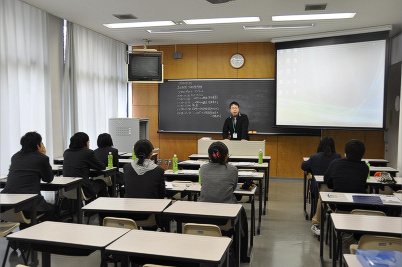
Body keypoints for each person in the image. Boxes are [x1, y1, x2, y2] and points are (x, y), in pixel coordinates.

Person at [198, 141, 248, 263]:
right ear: (226, 156)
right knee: (242, 214)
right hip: (225, 219)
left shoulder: (203, 168)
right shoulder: (232, 170)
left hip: (203, 217)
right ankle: (241, 255)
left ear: (209, 156)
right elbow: (233, 187)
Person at [311, 139, 369, 235]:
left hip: (338, 205)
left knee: (322, 197)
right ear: (362, 154)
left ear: (345, 153)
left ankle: (316, 224)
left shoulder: (336, 163)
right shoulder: (365, 168)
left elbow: (326, 180)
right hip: (359, 206)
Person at [1, 132, 55, 222]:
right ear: (38, 146)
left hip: (7, 205)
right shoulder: (42, 158)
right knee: (51, 210)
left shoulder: (15, 157)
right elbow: (48, 179)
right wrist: (44, 155)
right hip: (29, 205)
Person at [63, 132, 108, 199]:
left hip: (67, 189)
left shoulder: (66, 152)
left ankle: (90, 204)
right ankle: (102, 207)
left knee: (91, 183)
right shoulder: (87, 152)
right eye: (88, 141)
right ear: (85, 142)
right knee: (101, 183)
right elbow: (102, 167)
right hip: (83, 189)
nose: (88, 144)